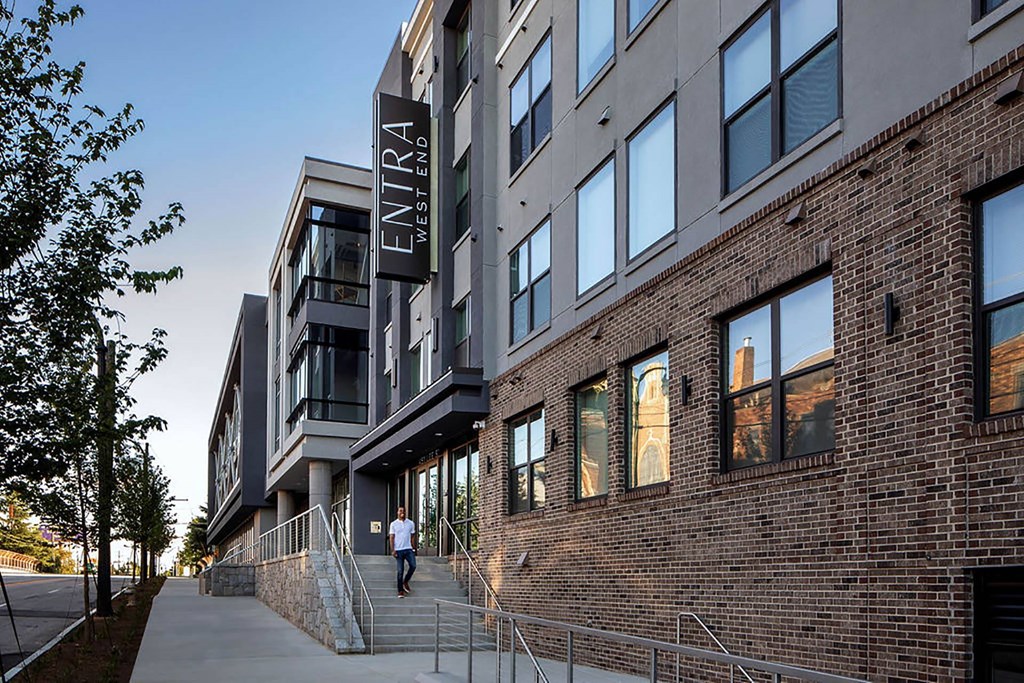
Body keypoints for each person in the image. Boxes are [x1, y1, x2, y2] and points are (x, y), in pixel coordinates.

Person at [389, 506, 417, 598]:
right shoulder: (393, 524)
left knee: (413, 565)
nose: (402, 512)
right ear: (397, 512)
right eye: (400, 511)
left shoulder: (411, 523)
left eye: (404, 511)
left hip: (408, 549)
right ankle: (400, 591)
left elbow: (412, 536)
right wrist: (393, 550)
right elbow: (392, 537)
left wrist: (413, 548)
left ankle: (405, 581)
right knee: (400, 570)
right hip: (398, 550)